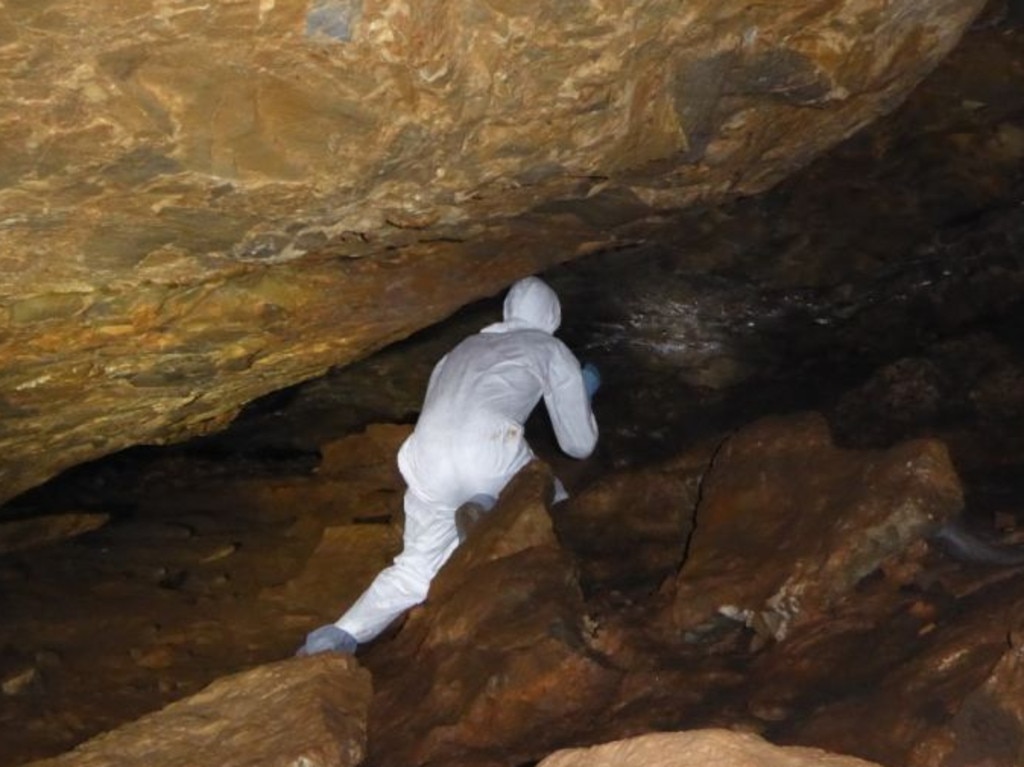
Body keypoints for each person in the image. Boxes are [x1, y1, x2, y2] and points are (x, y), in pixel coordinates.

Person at [297, 276, 601, 656]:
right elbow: (579, 444)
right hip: (489, 451)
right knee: (549, 495)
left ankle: (334, 639)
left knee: (413, 569)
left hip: (425, 458)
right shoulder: (548, 347)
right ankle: (490, 515)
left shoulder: (459, 350)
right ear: (552, 317)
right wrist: (584, 392)